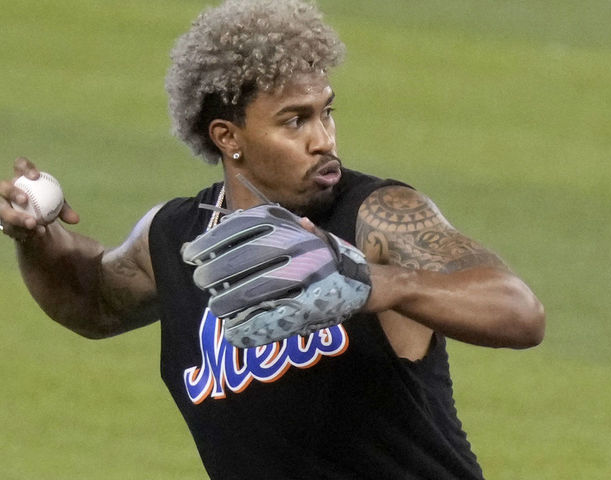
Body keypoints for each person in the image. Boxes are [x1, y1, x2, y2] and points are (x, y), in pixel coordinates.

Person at [0, 0, 545, 478]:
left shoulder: (374, 214)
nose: (323, 139)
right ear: (228, 137)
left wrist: (380, 283)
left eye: (326, 112)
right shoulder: (177, 238)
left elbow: (519, 312)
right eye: (295, 121)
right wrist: (35, 236)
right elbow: (91, 300)